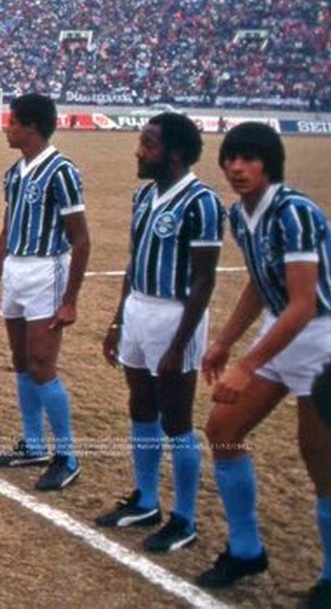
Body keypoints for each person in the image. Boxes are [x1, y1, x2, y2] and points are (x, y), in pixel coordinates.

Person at [195, 123, 331, 604]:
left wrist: (247, 364)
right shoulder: (241, 215)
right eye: (231, 158)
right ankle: (246, 549)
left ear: (269, 164)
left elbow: (301, 303)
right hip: (281, 334)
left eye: (249, 159)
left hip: (322, 341)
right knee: (224, 430)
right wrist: (224, 343)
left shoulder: (294, 212)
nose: (237, 168)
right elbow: (260, 281)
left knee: (321, 456)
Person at [95, 113, 225, 554]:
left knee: (176, 418)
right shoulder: (143, 196)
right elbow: (134, 264)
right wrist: (117, 320)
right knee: (141, 406)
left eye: (148, 144)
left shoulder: (201, 202)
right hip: (139, 310)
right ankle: (146, 499)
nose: (138, 150)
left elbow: (205, 280)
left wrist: (178, 344)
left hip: (176, 316)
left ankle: (184, 518)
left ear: (175, 153)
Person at [0, 93, 90, 492]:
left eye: (11, 123)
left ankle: (67, 455)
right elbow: (8, 231)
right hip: (16, 270)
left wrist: (71, 298)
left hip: (47, 270)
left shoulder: (61, 171)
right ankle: (32, 443)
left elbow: (80, 239)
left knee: (44, 363)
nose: (6, 129)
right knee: (22, 361)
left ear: (30, 126)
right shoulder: (15, 172)